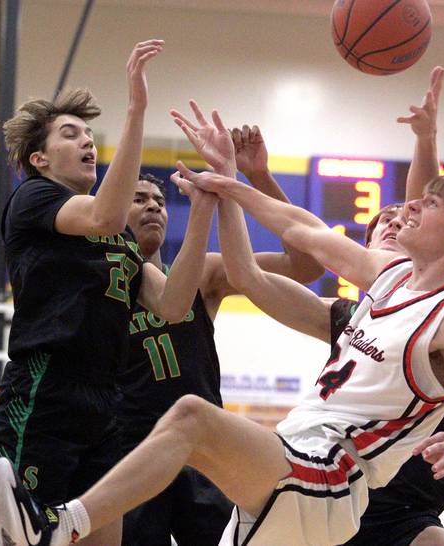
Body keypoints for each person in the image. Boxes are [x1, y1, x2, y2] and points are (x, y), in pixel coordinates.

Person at [0, 86, 444, 544]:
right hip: (287, 457)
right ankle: (62, 523)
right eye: (401, 212)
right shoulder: (383, 281)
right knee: (187, 427)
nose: (408, 212)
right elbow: (290, 242)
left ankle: (61, 525)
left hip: (332, 475)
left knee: (191, 416)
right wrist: (231, 179)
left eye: (427, 208)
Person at [0, 40, 220, 545]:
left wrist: (202, 208)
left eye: (90, 133)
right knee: (24, 539)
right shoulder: (35, 198)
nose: (87, 140)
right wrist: (137, 107)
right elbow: (104, 213)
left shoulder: (120, 239)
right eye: (72, 134)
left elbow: (174, 304)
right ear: (39, 157)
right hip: (47, 387)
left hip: (106, 403)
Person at [119, 164, 323, 545]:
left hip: (203, 447)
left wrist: (258, 176)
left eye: (161, 201)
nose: (153, 207)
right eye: (139, 199)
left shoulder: (202, 273)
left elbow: (305, 265)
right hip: (131, 449)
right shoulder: (101, 287)